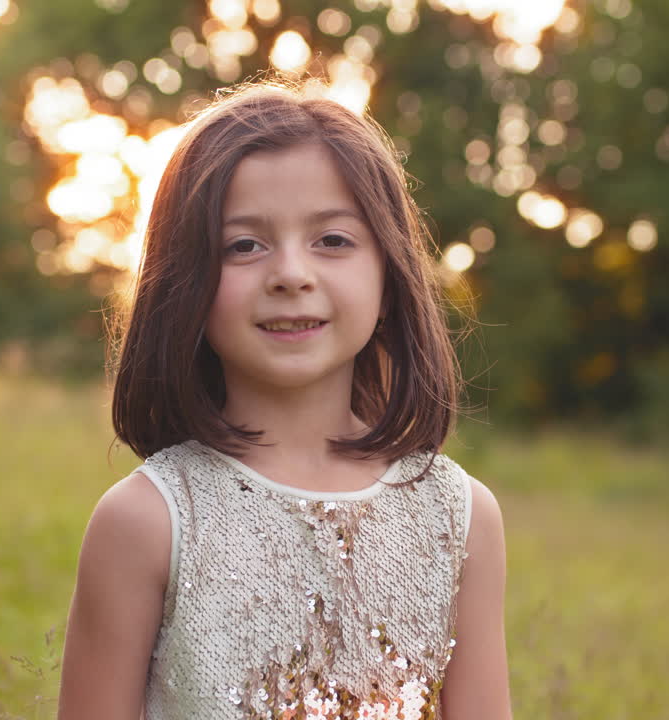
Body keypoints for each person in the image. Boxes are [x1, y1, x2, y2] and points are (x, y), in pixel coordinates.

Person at [58, 79, 510, 720]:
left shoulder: (459, 517)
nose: (292, 274)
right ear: (185, 282)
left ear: (389, 273)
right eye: (244, 245)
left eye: (333, 240)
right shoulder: (148, 521)